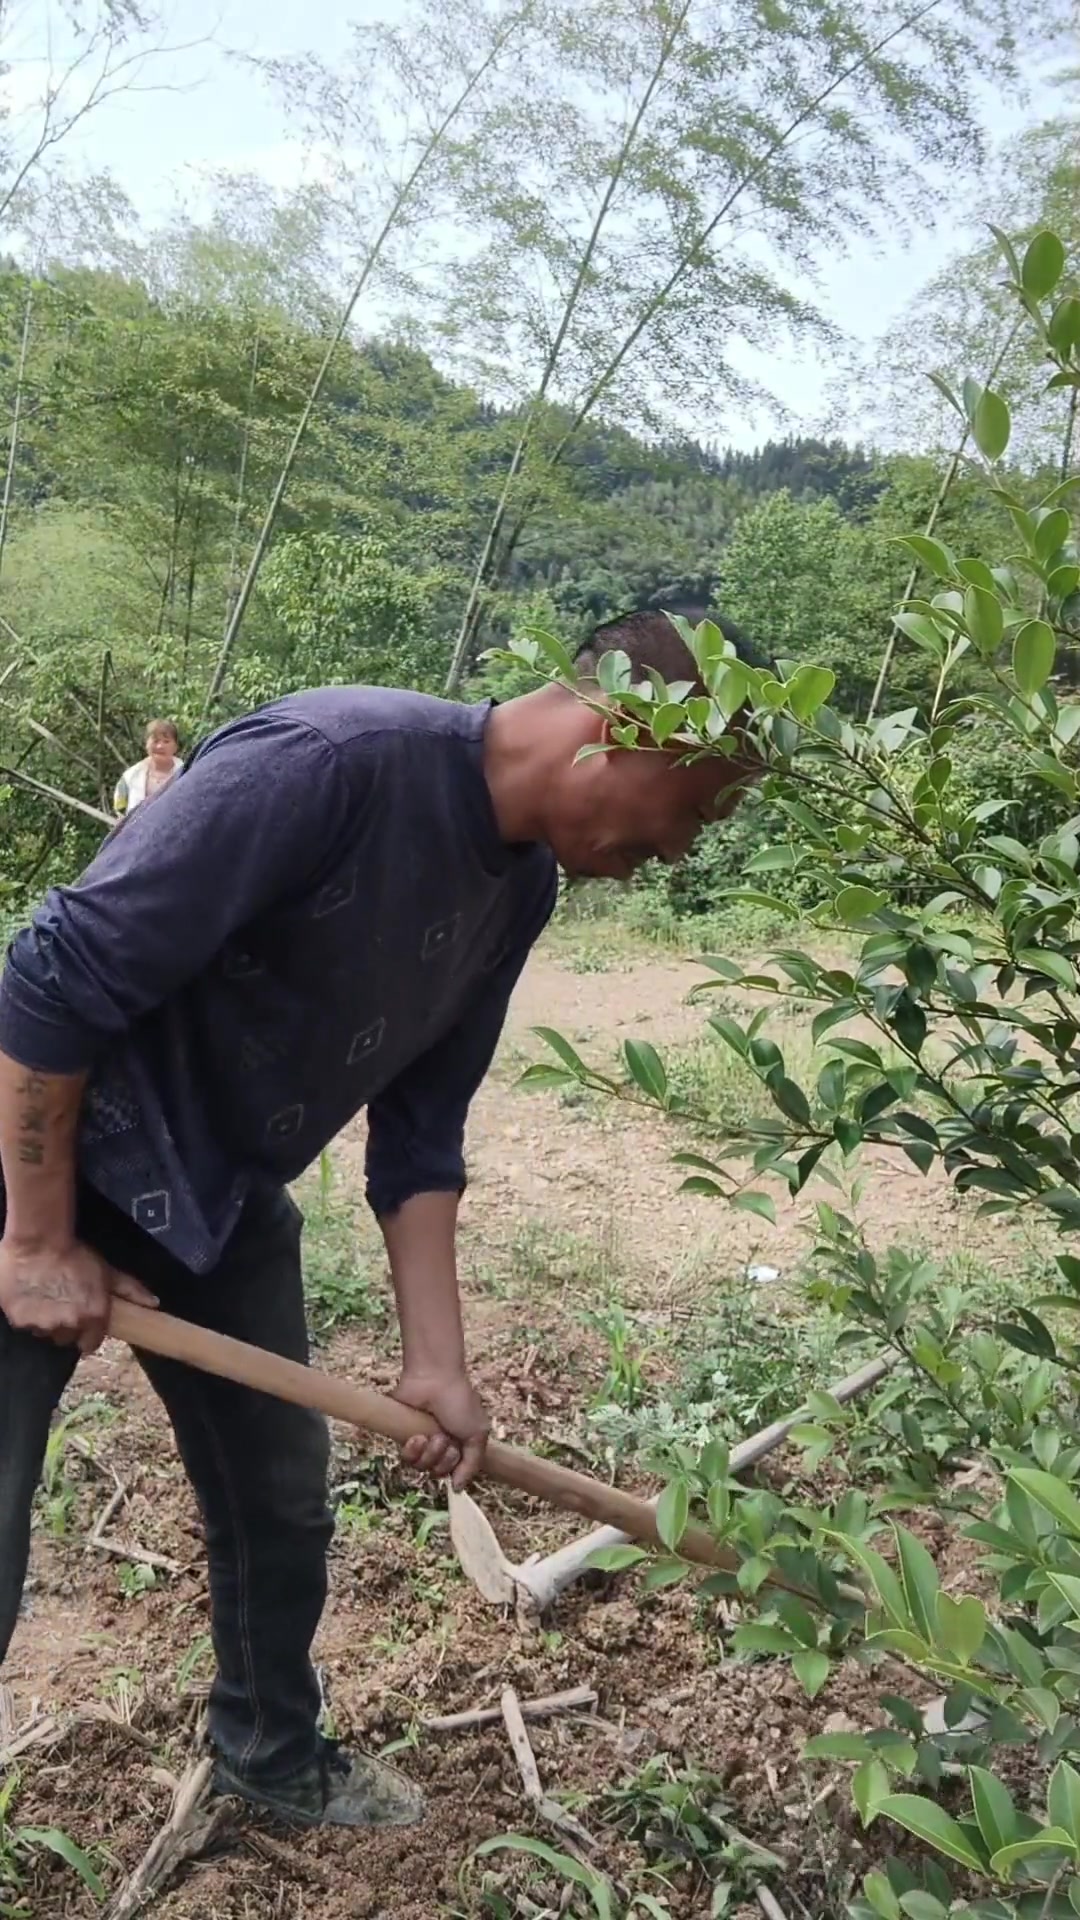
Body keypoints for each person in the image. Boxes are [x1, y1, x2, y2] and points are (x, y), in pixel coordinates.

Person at [0, 608, 762, 1832]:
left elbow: (419, 1130)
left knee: (281, 1495)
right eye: (697, 809)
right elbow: (50, 975)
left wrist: (437, 1366)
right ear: (628, 736)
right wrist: (39, 1239)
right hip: (34, 1152)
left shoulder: (516, 891)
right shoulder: (332, 763)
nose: (679, 853)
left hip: (214, 1196)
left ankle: (270, 1750)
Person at [113, 719, 183, 816]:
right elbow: (119, 806)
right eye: (155, 741)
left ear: (175, 746)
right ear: (146, 744)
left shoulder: (188, 772)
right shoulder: (130, 776)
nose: (160, 746)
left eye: (166, 741)